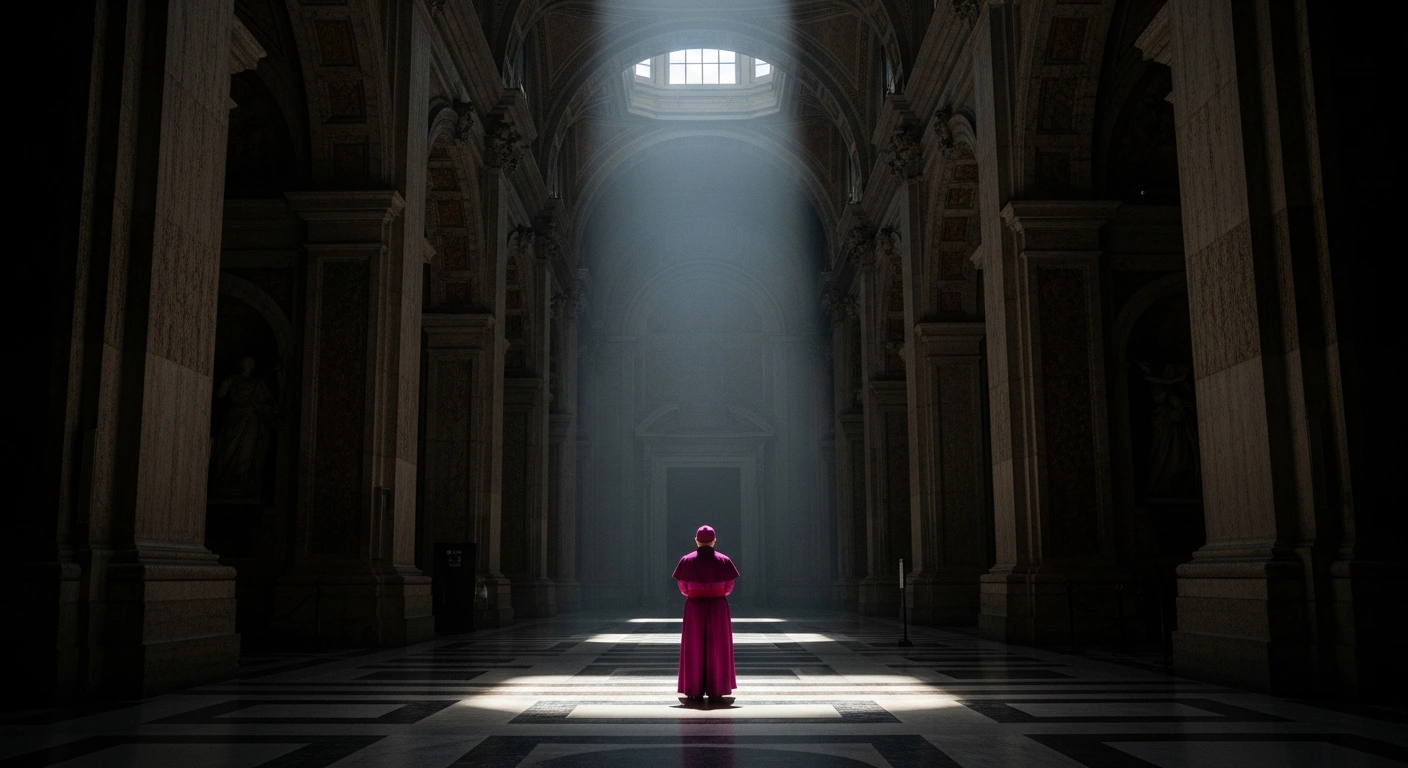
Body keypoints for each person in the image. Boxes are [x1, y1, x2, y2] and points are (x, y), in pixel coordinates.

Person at [673, 525, 739, 701]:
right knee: (718, 646)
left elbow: (683, 588)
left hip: (694, 606)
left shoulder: (686, 561)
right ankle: (717, 689)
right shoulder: (724, 560)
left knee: (693, 646)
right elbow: (729, 587)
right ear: (714, 540)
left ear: (696, 540)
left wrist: (697, 593)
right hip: (718, 606)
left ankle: (694, 689)